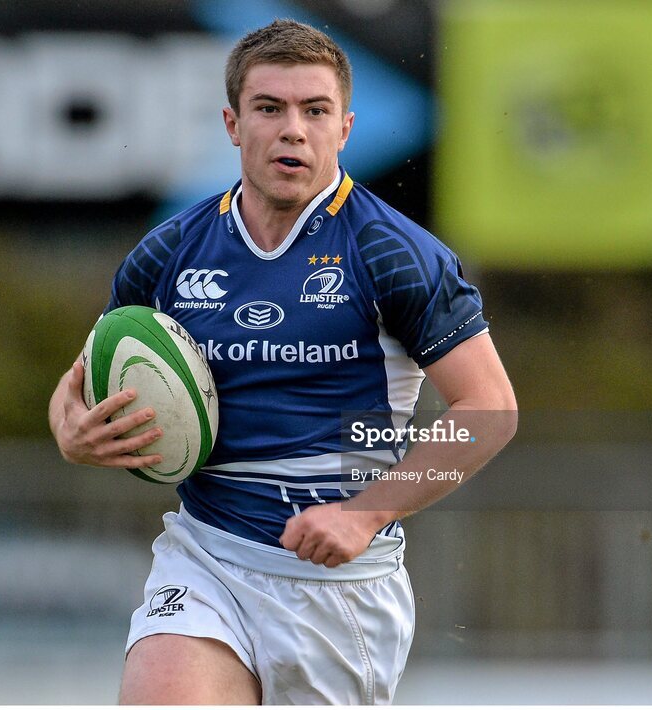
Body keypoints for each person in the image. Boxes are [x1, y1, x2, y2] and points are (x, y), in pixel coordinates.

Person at [48, 18, 517, 705]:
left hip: (338, 595)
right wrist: (70, 430)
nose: (293, 129)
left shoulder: (395, 255)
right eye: (270, 108)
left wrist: (364, 514)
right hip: (206, 556)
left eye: (315, 110)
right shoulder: (170, 250)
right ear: (234, 125)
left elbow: (490, 414)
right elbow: (84, 378)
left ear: (345, 128)